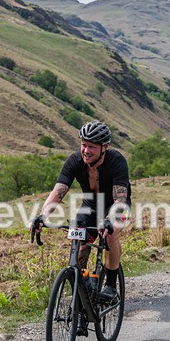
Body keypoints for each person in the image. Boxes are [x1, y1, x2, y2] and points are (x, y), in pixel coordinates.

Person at [31, 120, 131, 302]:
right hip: (90, 206)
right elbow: (58, 191)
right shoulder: (75, 161)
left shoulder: (117, 161)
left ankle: (110, 285)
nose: (86, 150)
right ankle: (83, 289)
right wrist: (42, 216)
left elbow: (120, 198)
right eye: (84, 145)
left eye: (92, 147)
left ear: (104, 147)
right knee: (79, 241)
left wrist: (110, 220)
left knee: (110, 235)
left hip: (116, 206)